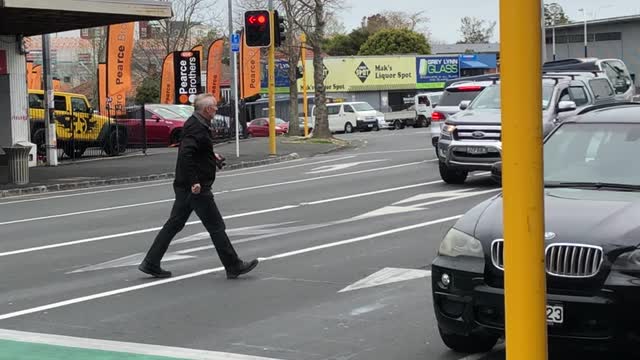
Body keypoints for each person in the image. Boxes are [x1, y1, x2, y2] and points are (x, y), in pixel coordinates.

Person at [139, 93, 259, 279]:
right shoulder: (196, 127)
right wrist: (195, 181)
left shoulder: (197, 124)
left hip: (186, 185)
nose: (217, 109)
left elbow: (196, 152)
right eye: (215, 107)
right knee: (216, 226)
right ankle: (233, 265)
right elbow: (186, 154)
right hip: (196, 187)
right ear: (207, 110)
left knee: (174, 224)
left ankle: (151, 262)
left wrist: (212, 157)